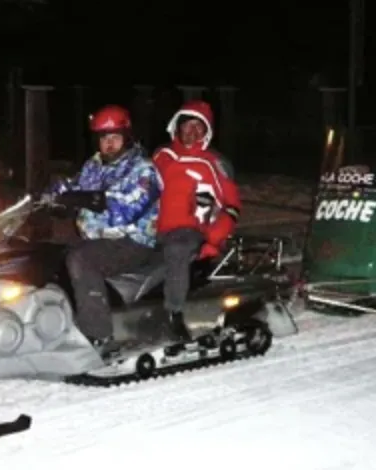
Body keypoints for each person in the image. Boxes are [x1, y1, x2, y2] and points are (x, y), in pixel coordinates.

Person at [44, 104, 161, 352]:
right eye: (104, 137)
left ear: (127, 137)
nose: (109, 143)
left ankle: (98, 335)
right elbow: (72, 186)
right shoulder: (93, 165)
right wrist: (50, 194)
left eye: (115, 137)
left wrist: (87, 199)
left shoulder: (143, 169)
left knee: (81, 260)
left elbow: (129, 208)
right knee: (48, 255)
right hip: (97, 239)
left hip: (132, 242)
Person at [148, 99, 241, 342]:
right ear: (176, 127)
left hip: (191, 231)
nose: (192, 132)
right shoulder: (161, 156)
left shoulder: (214, 163)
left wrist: (213, 239)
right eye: (187, 125)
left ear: (207, 131)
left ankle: (174, 315)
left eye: (199, 127)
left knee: (177, 249)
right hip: (154, 228)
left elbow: (231, 206)